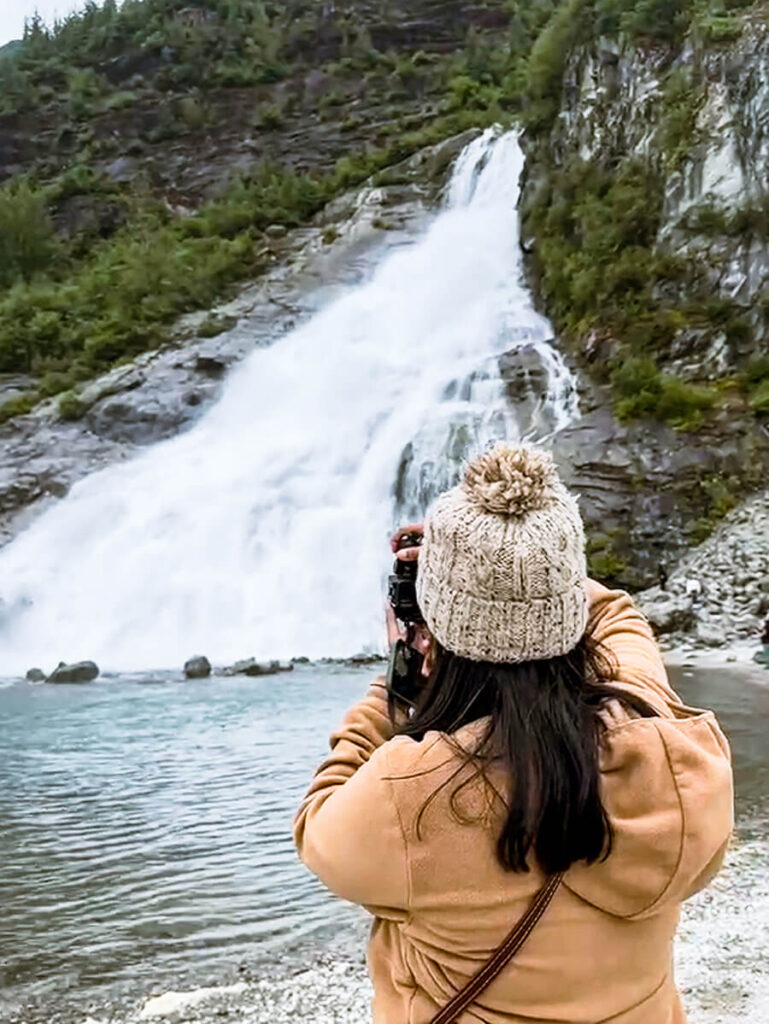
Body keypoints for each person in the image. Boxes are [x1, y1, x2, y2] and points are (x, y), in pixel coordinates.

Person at [294, 444, 734, 1024]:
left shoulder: (408, 797)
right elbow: (618, 616)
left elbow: (319, 824)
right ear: (567, 602)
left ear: (437, 625)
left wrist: (395, 680)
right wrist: (527, 562)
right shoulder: (665, 749)